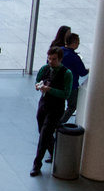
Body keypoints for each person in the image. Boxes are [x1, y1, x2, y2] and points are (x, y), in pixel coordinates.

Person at [31, 47, 73, 176]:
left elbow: (66, 94)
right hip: (43, 104)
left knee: (44, 134)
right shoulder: (45, 69)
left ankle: (37, 164)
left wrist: (50, 90)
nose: (51, 61)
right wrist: (39, 86)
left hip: (56, 107)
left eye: (54, 59)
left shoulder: (67, 73)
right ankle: (55, 152)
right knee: (43, 131)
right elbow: (37, 80)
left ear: (60, 59)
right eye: (49, 58)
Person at [60, 32, 89, 121]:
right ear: (74, 43)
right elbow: (82, 72)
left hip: (58, 83)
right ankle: (60, 122)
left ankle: (54, 121)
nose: (78, 44)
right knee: (72, 106)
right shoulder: (74, 57)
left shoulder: (59, 51)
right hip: (71, 86)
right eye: (78, 42)